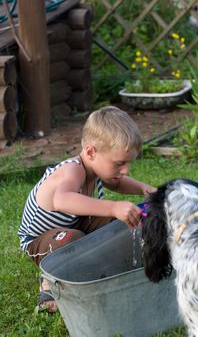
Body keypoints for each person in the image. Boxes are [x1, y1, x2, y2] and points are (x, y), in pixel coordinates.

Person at [18, 106, 156, 312]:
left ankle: (118, 261)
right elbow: (62, 199)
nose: (125, 170)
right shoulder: (72, 170)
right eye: (119, 163)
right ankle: (48, 282)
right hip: (41, 241)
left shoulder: (97, 169)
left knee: (122, 221)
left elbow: (118, 184)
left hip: (74, 224)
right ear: (91, 152)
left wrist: (146, 189)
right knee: (71, 240)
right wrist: (112, 206)